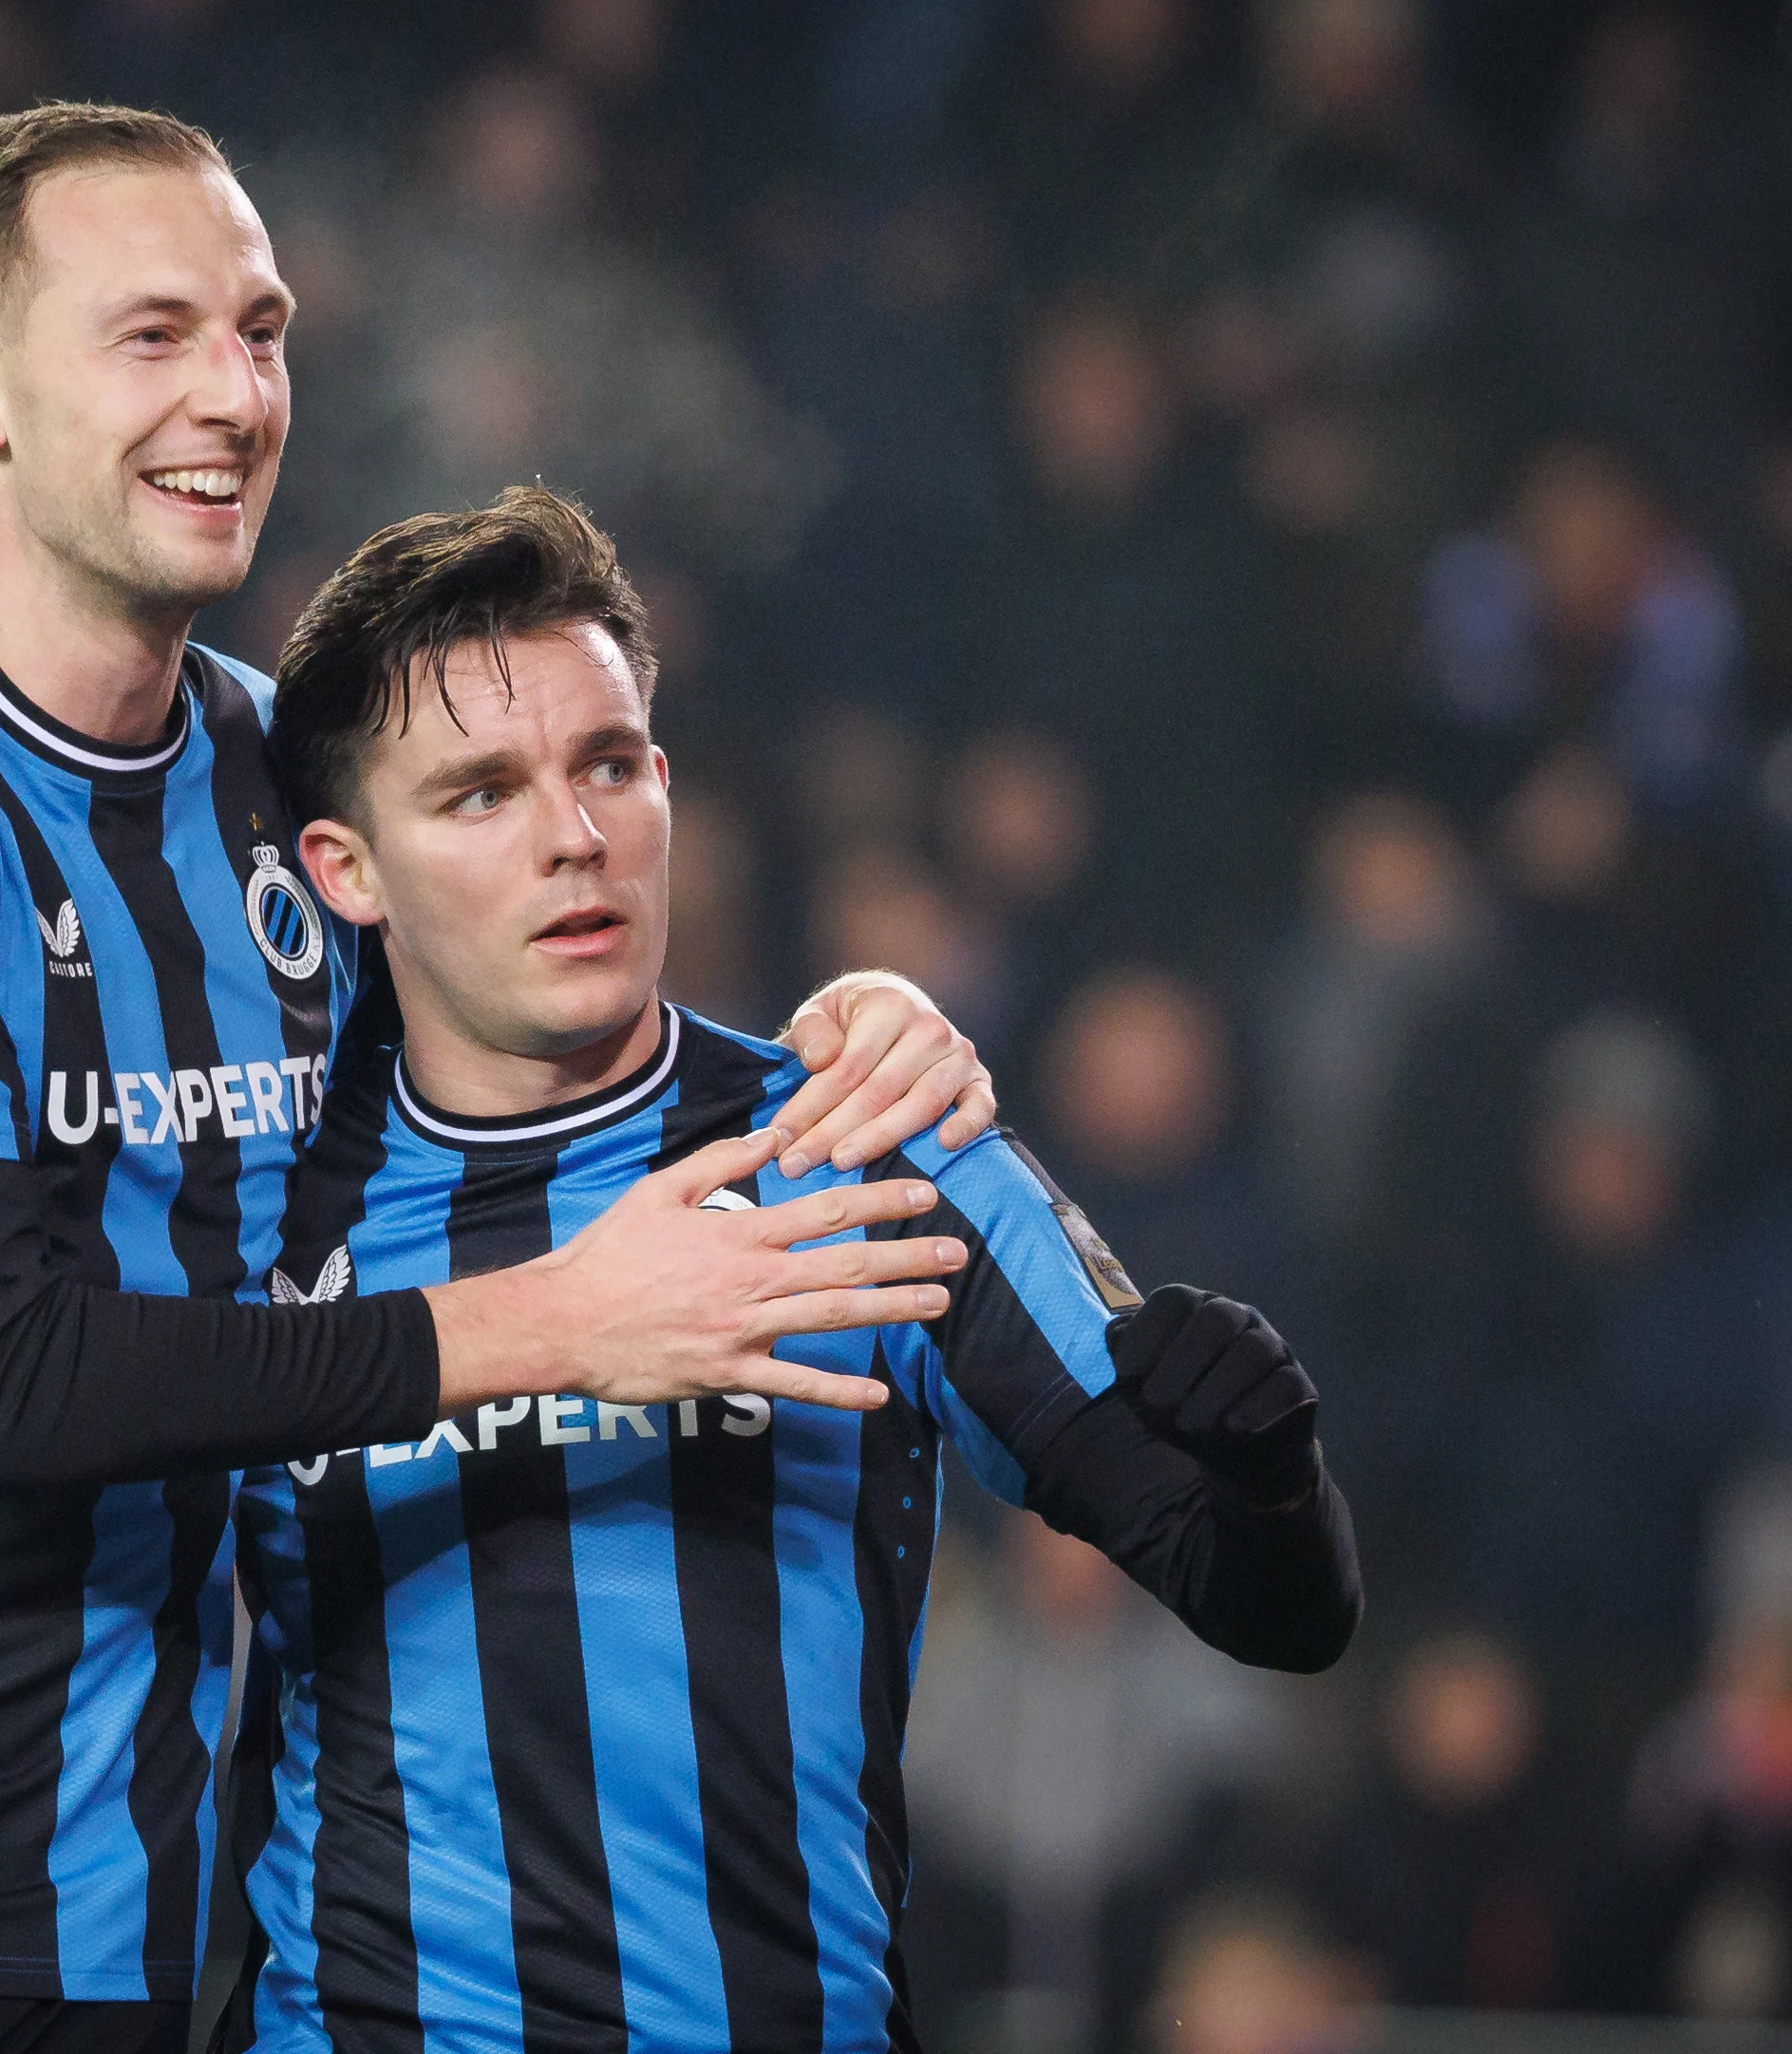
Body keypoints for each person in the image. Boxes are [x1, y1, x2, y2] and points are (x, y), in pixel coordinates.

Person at [0, 104, 991, 2054]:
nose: (233, 394)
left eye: (262, 331)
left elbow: (516, 1102)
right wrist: (558, 1322)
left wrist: (858, 1019)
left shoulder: (282, 788)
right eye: (152, 336)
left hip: (100, 1909)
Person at [202, 486, 1359, 2051]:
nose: (575, 834)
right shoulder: (249, 1211)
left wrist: (1272, 1474)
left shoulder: (869, 1137)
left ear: (666, 785)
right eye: (480, 794)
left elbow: (1268, 1600)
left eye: (609, 765)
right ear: (347, 869)